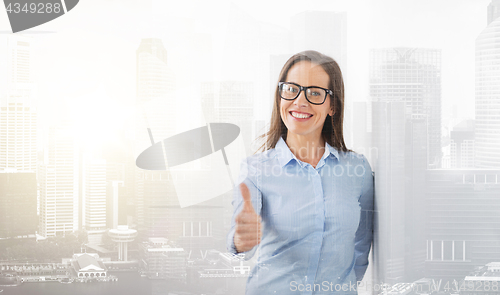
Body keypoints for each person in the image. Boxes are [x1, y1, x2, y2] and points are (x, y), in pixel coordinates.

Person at [227, 50, 374, 295]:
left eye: (315, 93)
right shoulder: (255, 170)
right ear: (280, 97)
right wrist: (241, 239)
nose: (300, 101)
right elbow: (241, 243)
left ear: (333, 106)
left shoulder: (357, 170)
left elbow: (362, 241)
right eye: (291, 89)